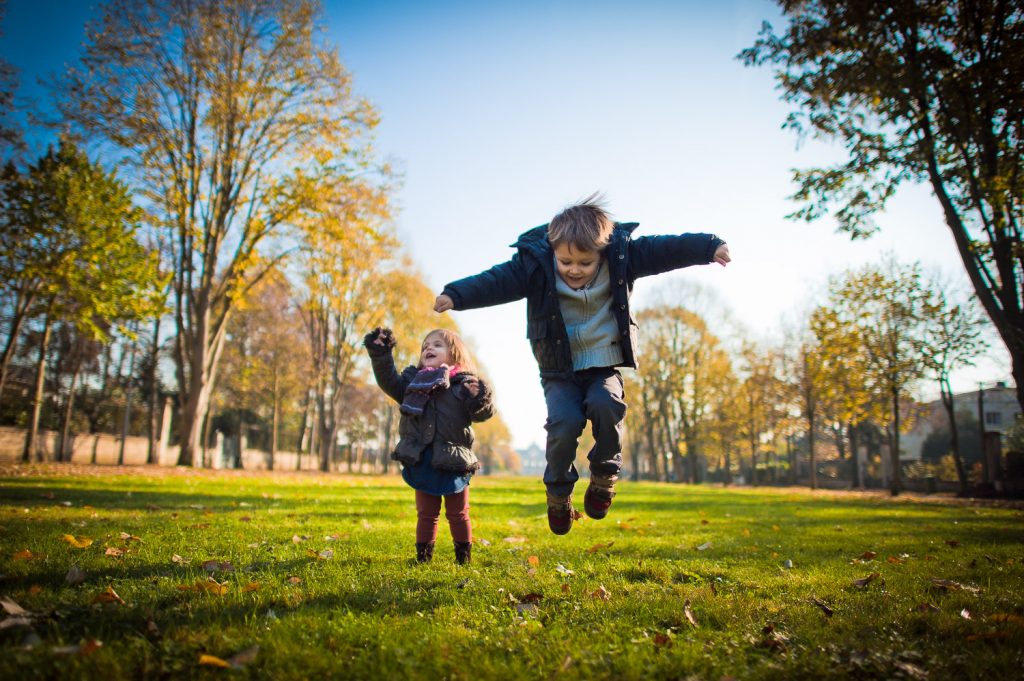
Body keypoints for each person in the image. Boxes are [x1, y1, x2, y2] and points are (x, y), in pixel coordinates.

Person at [433, 194, 730, 535]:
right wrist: (456, 294)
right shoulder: (537, 264)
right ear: (553, 251)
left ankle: (603, 477)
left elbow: (665, 250)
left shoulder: (623, 256)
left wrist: (709, 247)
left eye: (585, 263)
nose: (574, 270)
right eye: (566, 262)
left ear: (602, 252)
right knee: (564, 422)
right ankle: (559, 494)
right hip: (559, 369)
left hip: (603, 363)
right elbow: (496, 281)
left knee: (607, 405)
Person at [364, 326, 494, 564]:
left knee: (458, 513)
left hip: (454, 461)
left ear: (455, 354)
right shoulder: (413, 382)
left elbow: (483, 414)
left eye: (436, 345)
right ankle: (423, 558)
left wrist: (479, 396)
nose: (429, 348)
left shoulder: (462, 386)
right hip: (422, 458)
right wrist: (380, 354)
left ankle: (463, 558)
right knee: (426, 514)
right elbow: (389, 381)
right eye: (425, 346)